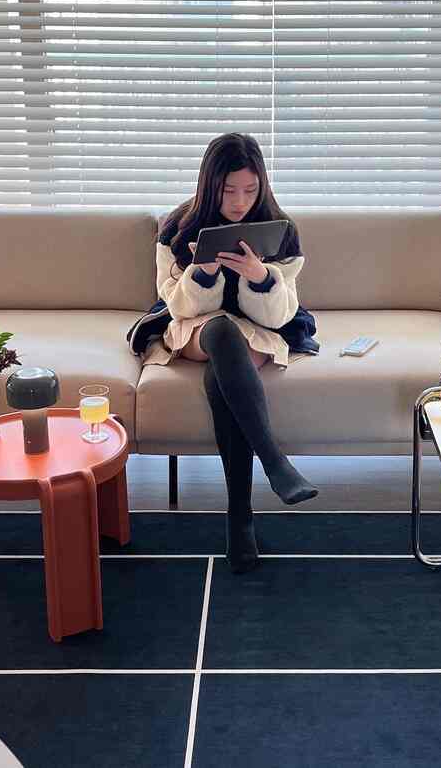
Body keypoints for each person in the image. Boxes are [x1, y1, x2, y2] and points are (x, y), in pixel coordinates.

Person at [126, 132, 320, 574]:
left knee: (224, 374)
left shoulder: (280, 229)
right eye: (229, 190)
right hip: (197, 325)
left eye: (249, 190)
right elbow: (174, 304)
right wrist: (203, 272)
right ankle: (275, 462)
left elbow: (278, 316)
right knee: (221, 334)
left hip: (256, 328)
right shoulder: (178, 227)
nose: (239, 202)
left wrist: (260, 278)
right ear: (210, 185)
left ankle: (239, 520)